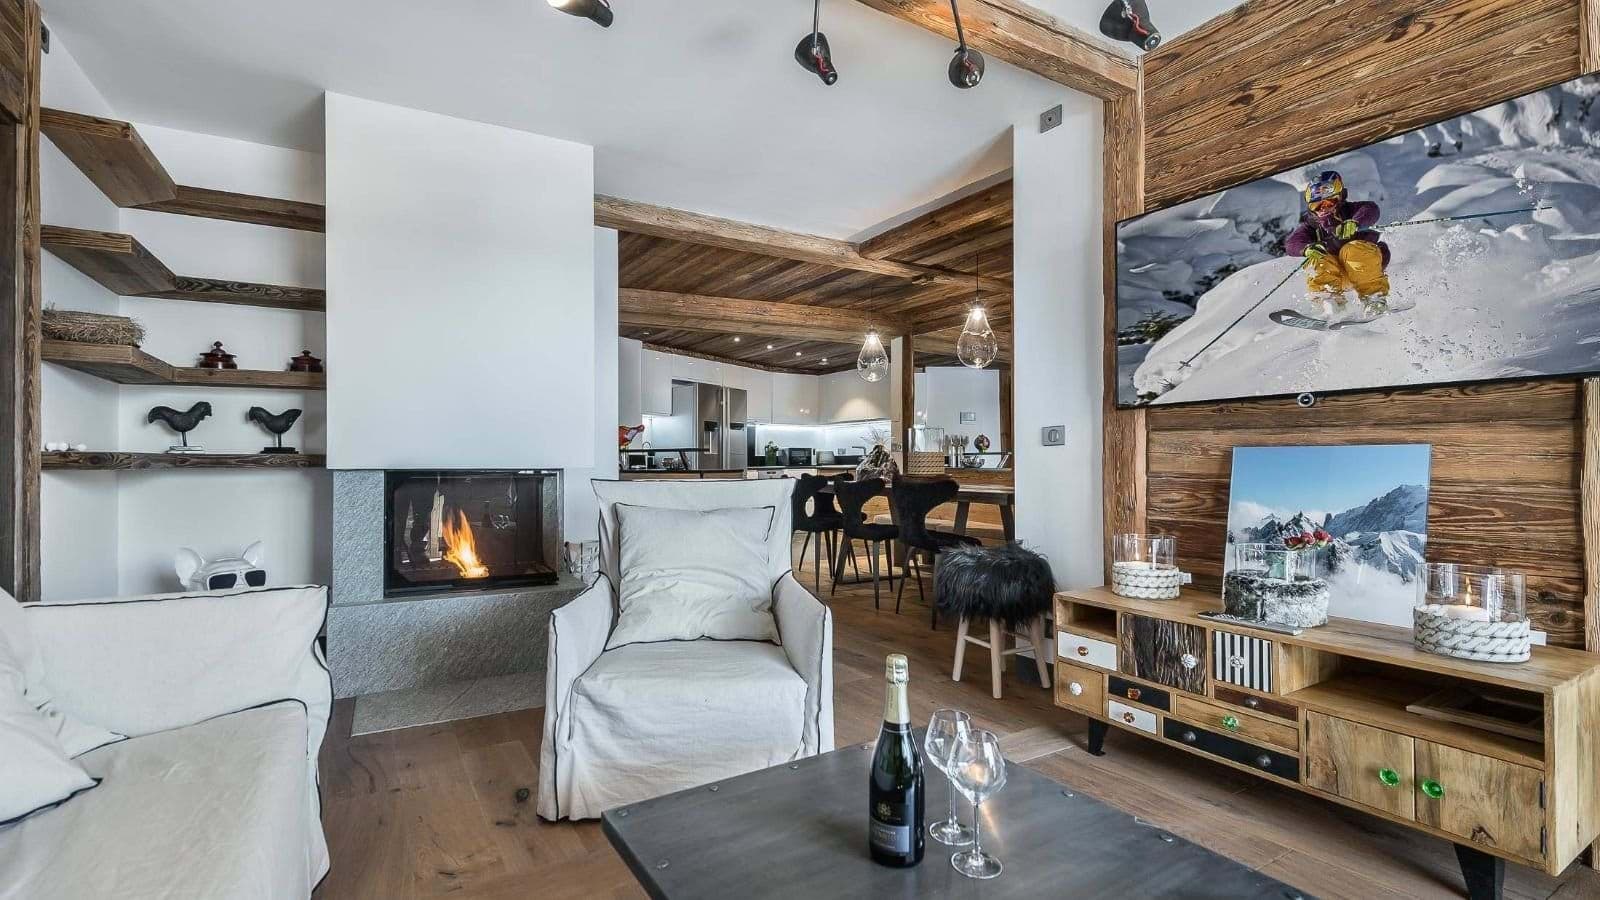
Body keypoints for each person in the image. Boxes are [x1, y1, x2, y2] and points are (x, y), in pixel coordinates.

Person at [1283, 170, 1391, 313]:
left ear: (1340, 198)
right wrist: (1307, 248)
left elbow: (1371, 210)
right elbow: (1292, 243)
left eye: (1329, 202)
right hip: (1338, 275)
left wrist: (1355, 222)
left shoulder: (1350, 211)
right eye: (1318, 206)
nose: (1324, 208)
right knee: (1318, 260)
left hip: (1366, 266)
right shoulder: (1312, 226)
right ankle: (1330, 302)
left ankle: (1374, 299)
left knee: (1352, 249)